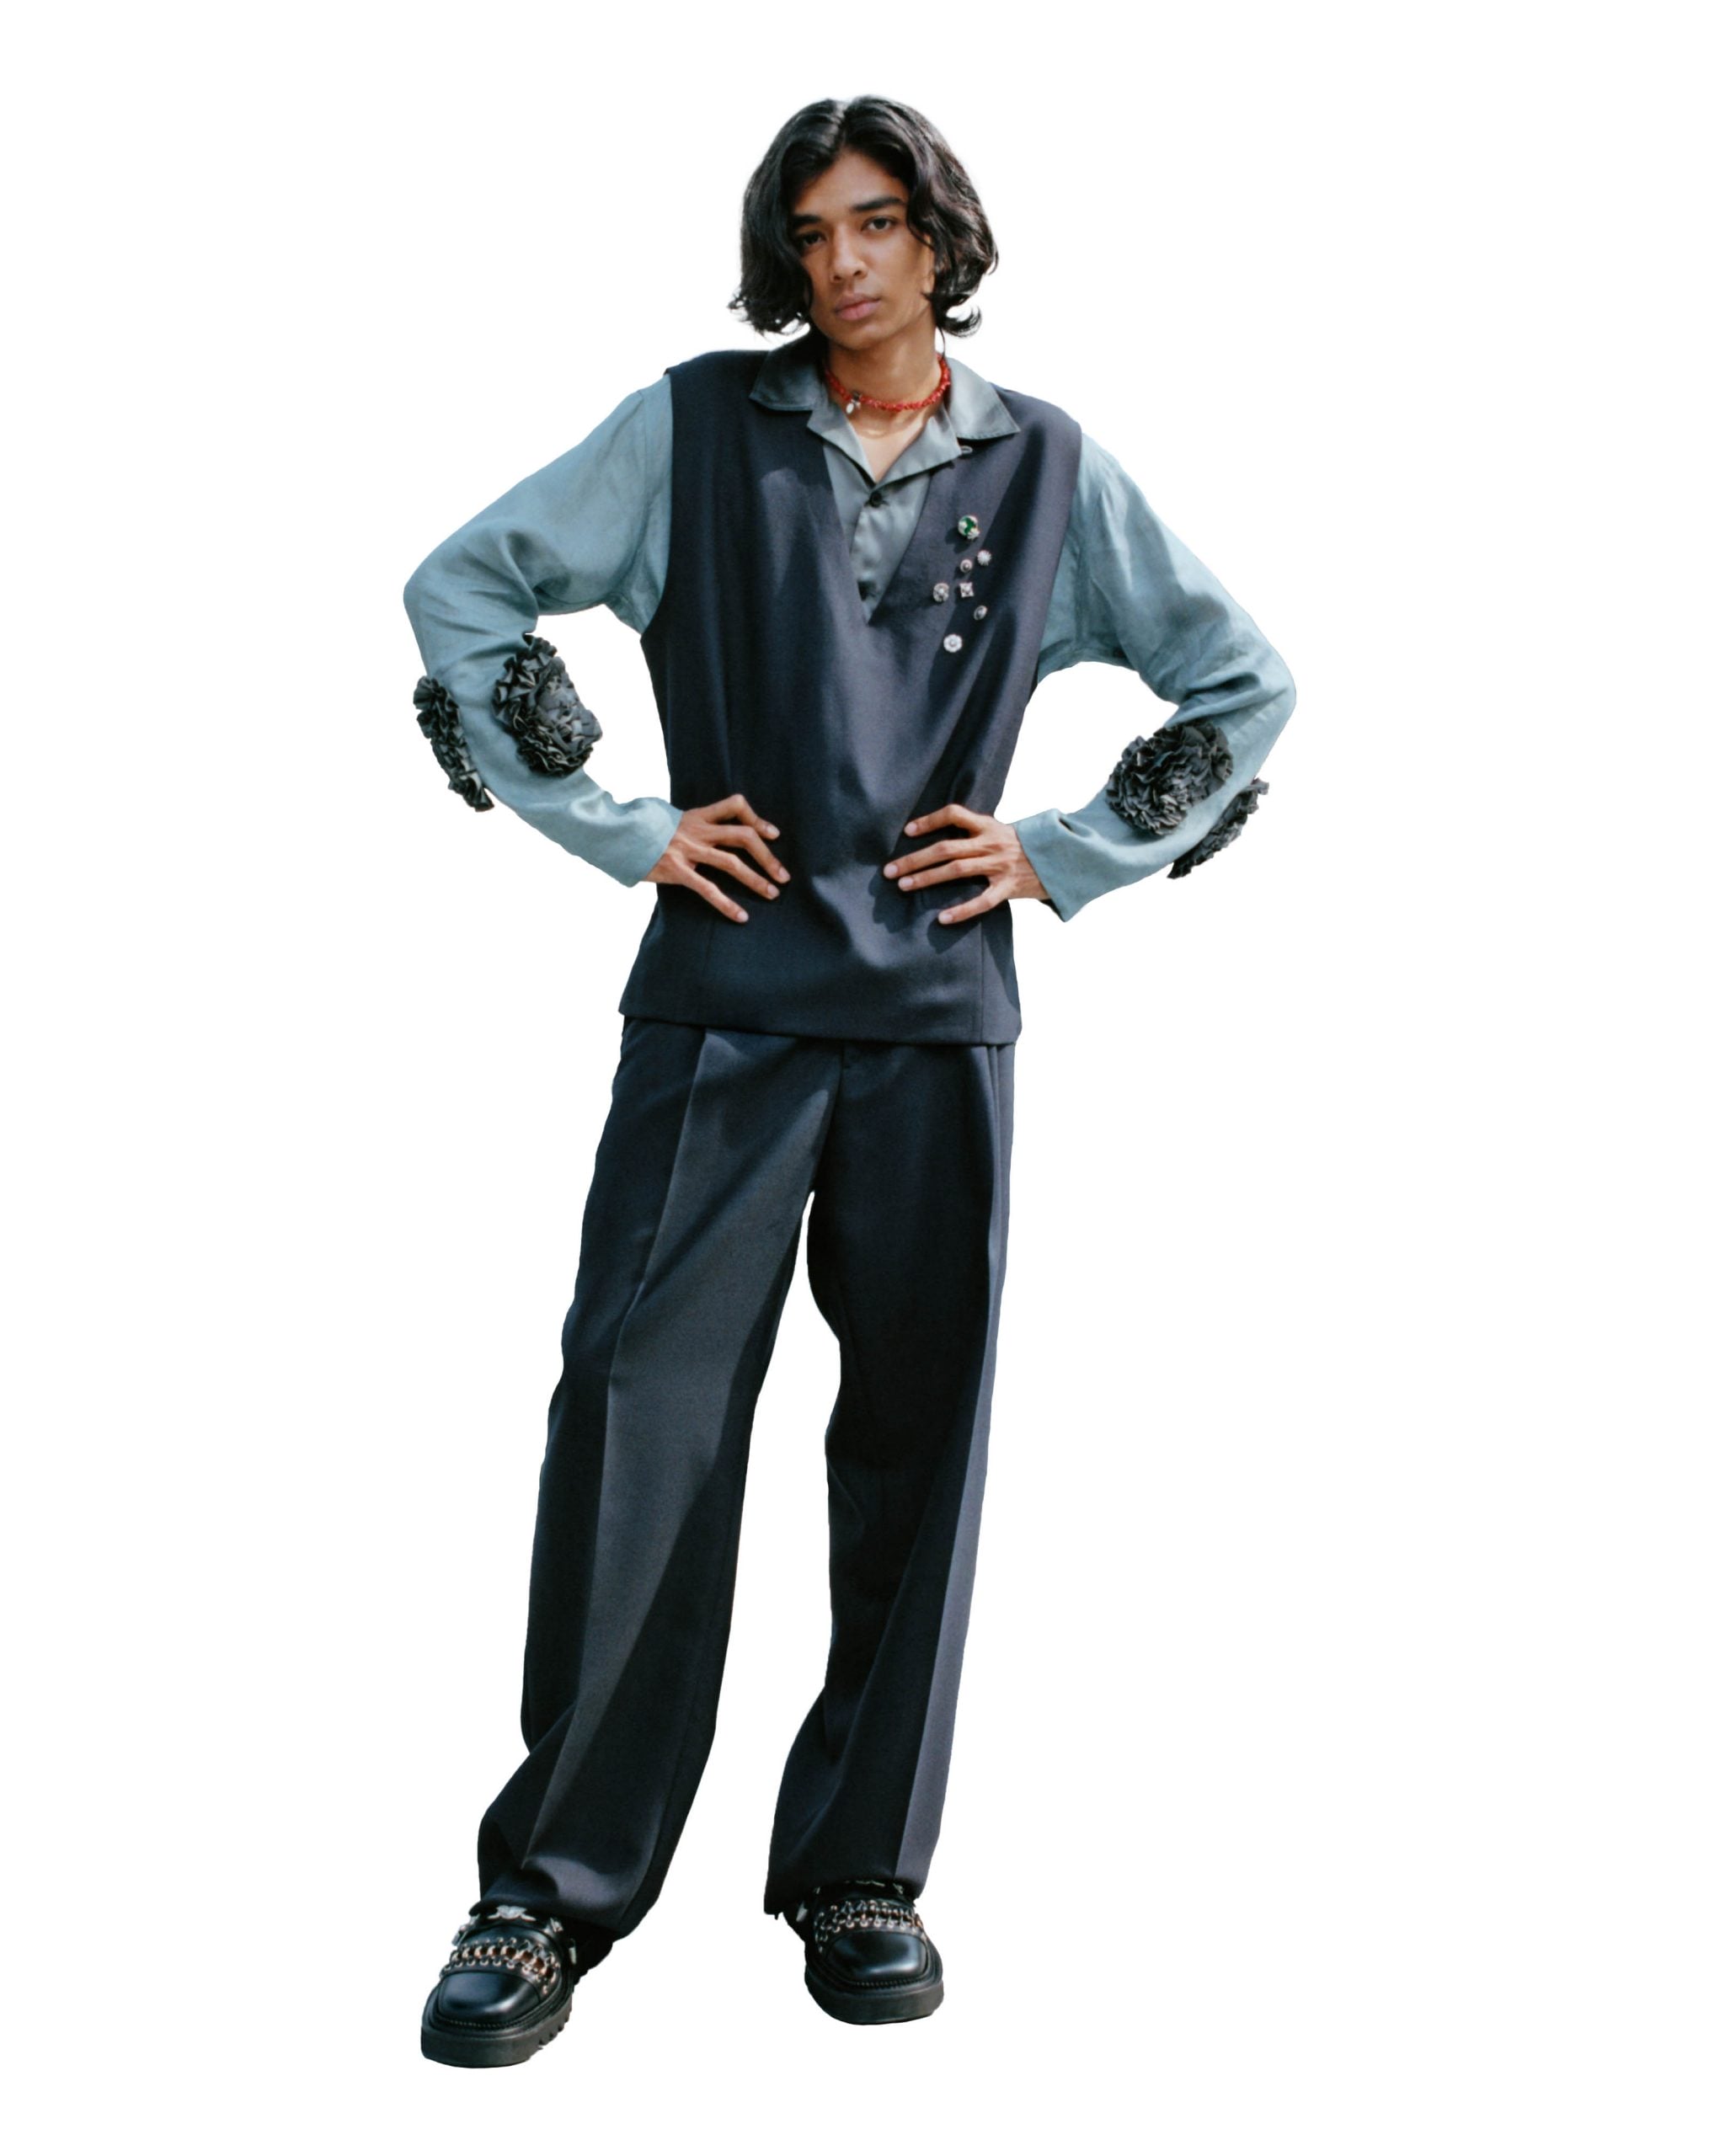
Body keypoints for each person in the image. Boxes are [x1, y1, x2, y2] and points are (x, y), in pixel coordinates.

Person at [403, 93, 1295, 2068]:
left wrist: (1060, 853)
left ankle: (861, 1871)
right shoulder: (689, 432)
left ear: (937, 235)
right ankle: (546, 1893)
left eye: (876, 221)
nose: (843, 264)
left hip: (937, 1022)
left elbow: (1242, 681)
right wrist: (619, 822)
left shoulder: (1048, 468)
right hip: (719, 1006)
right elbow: (462, 585)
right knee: (637, 1425)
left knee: (914, 1434)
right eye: (809, 233)